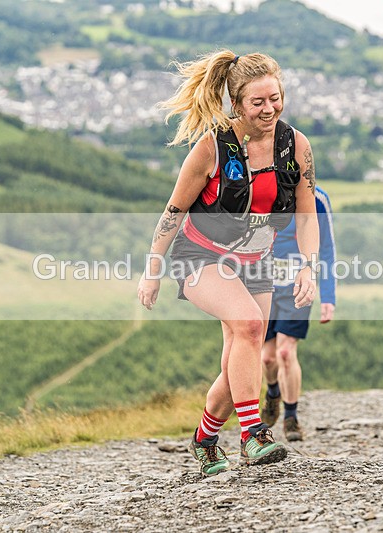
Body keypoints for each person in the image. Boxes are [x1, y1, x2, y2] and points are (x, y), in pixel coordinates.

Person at [137, 50, 320, 476]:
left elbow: (307, 213)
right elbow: (173, 211)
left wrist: (308, 266)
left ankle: (204, 438)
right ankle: (253, 435)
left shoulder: (296, 146)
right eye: (258, 102)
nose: (269, 108)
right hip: (201, 255)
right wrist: (152, 270)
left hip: (257, 258)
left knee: (239, 358)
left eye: (275, 98)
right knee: (251, 327)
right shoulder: (211, 148)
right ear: (236, 104)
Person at [260, 186, 336, 442]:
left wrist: (328, 297)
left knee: (285, 352)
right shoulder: (263, 186)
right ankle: (273, 394)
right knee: (267, 359)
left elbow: (326, 248)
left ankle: (291, 418)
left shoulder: (317, 198)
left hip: (298, 285)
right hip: (263, 284)